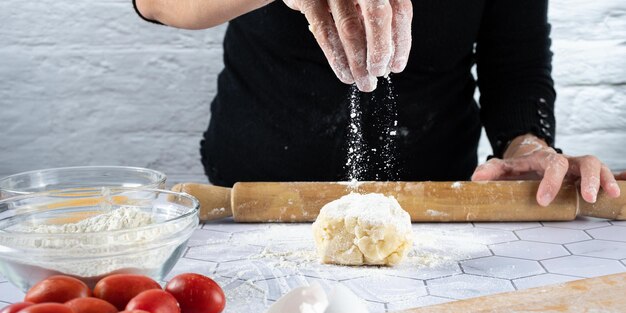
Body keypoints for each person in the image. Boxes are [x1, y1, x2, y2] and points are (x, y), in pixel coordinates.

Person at [132, 0, 623, 206]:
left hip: (431, 206)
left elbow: (516, 66)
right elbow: (157, 4)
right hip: (257, 195)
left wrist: (527, 146)